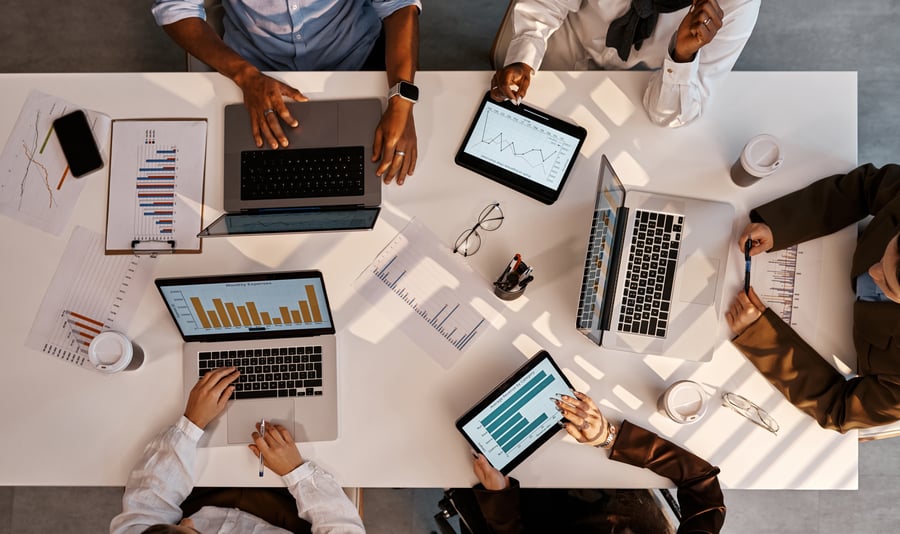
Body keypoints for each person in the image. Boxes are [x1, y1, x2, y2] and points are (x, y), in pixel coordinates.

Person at [151, 0, 421, 185]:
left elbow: (398, 4)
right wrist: (245, 75)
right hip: (254, 73)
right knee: (242, 187)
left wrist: (401, 96)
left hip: (358, 61)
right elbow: (175, 8)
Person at [726, 163, 900, 432]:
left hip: (830, 345)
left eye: (888, 282)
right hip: (835, 249)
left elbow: (839, 408)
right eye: (888, 254)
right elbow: (868, 187)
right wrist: (781, 227)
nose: (874, 270)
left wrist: (759, 334)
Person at [109, 367, 365, 533]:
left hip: (200, 496)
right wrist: (296, 471)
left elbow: (148, 501)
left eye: (181, 528)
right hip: (286, 509)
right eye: (194, 532)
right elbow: (342, 527)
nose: (188, 522)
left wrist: (192, 422)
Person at [468, 391, 725, 533]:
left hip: (536, 513)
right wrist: (609, 438)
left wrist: (499, 497)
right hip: (613, 491)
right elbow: (701, 484)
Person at [490, 0, 759, 128]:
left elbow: (670, 115)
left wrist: (681, 57)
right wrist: (522, 57)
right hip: (565, 31)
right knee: (512, 115)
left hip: (636, 73)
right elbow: (544, 5)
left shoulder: (736, 4)